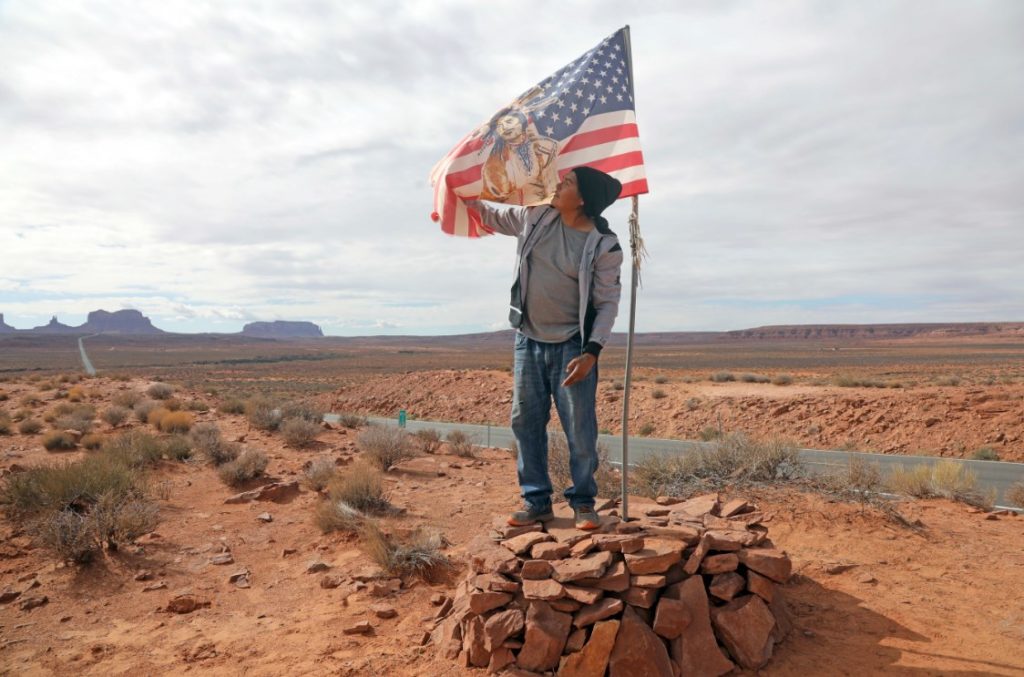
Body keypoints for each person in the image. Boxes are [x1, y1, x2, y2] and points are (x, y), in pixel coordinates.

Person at [465, 166, 623, 530]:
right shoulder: (537, 217)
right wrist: (463, 195)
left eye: (566, 183)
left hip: (573, 347)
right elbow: (496, 216)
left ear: (582, 199)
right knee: (525, 421)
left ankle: (583, 502)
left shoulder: (603, 244)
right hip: (528, 339)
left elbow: (607, 302)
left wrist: (592, 351)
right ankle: (536, 501)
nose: (557, 185)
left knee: (580, 428)